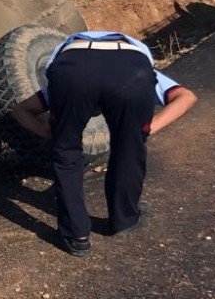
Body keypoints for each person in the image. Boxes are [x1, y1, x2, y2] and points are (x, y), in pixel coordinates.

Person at [12, 30, 197, 257]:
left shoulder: (70, 57)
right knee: (128, 148)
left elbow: (21, 109)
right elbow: (186, 96)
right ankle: (124, 220)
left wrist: (47, 131)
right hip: (130, 71)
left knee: (66, 152)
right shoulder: (140, 61)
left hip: (73, 70)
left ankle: (76, 236)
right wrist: (147, 128)